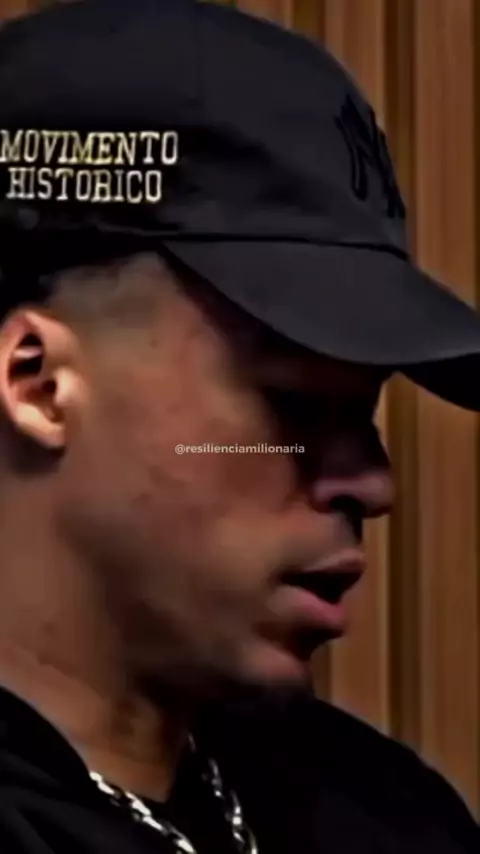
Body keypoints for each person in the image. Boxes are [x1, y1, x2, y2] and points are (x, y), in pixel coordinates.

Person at [0, 0, 479, 852]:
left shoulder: (391, 815)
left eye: (363, 409)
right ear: (37, 382)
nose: (374, 483)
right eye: (294, 405)